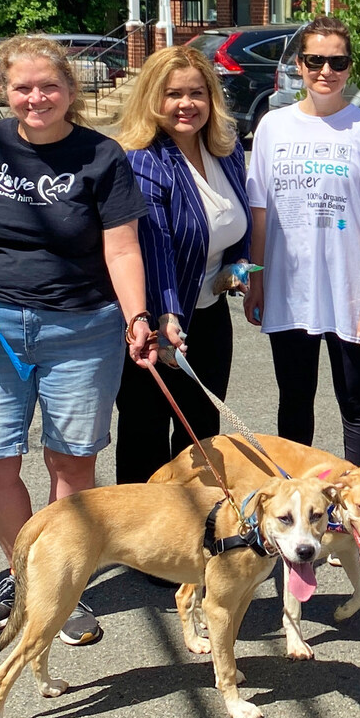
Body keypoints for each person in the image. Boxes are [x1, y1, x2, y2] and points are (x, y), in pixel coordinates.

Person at [0, 36, 154, 642]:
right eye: (22, 87)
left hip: (82, 329)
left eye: (49, 86)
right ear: (4, 92)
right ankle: (27, 571)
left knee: (70, 461)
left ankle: (60, 588)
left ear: (70, 90)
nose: (36, 97)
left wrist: (137, 317)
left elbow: (121, 247)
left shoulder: (102, 155)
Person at [243, 16, 360, 470]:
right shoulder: (274, 126)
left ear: (349, 68)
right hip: (288, 290)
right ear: (299, 63)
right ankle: (296, 504)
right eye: (315, 60)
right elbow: (260, 212)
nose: (325, 71)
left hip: (350, 290)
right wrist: (255, 280)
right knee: (294, 402)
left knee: (356, 402)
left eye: (337, 61)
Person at [113, 42, 253, 487]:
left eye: (196, 93)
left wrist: (238, 263)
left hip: (209, 317)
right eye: (173, 94)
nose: (186, 105)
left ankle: (194, 534)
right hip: (154, 322)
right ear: (153, 98)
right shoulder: (142, 161)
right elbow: (152, 248)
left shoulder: (226, 151)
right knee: (146, 436)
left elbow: (236, 219)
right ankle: (139, 543)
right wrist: (166, 316)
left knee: (201, 436)